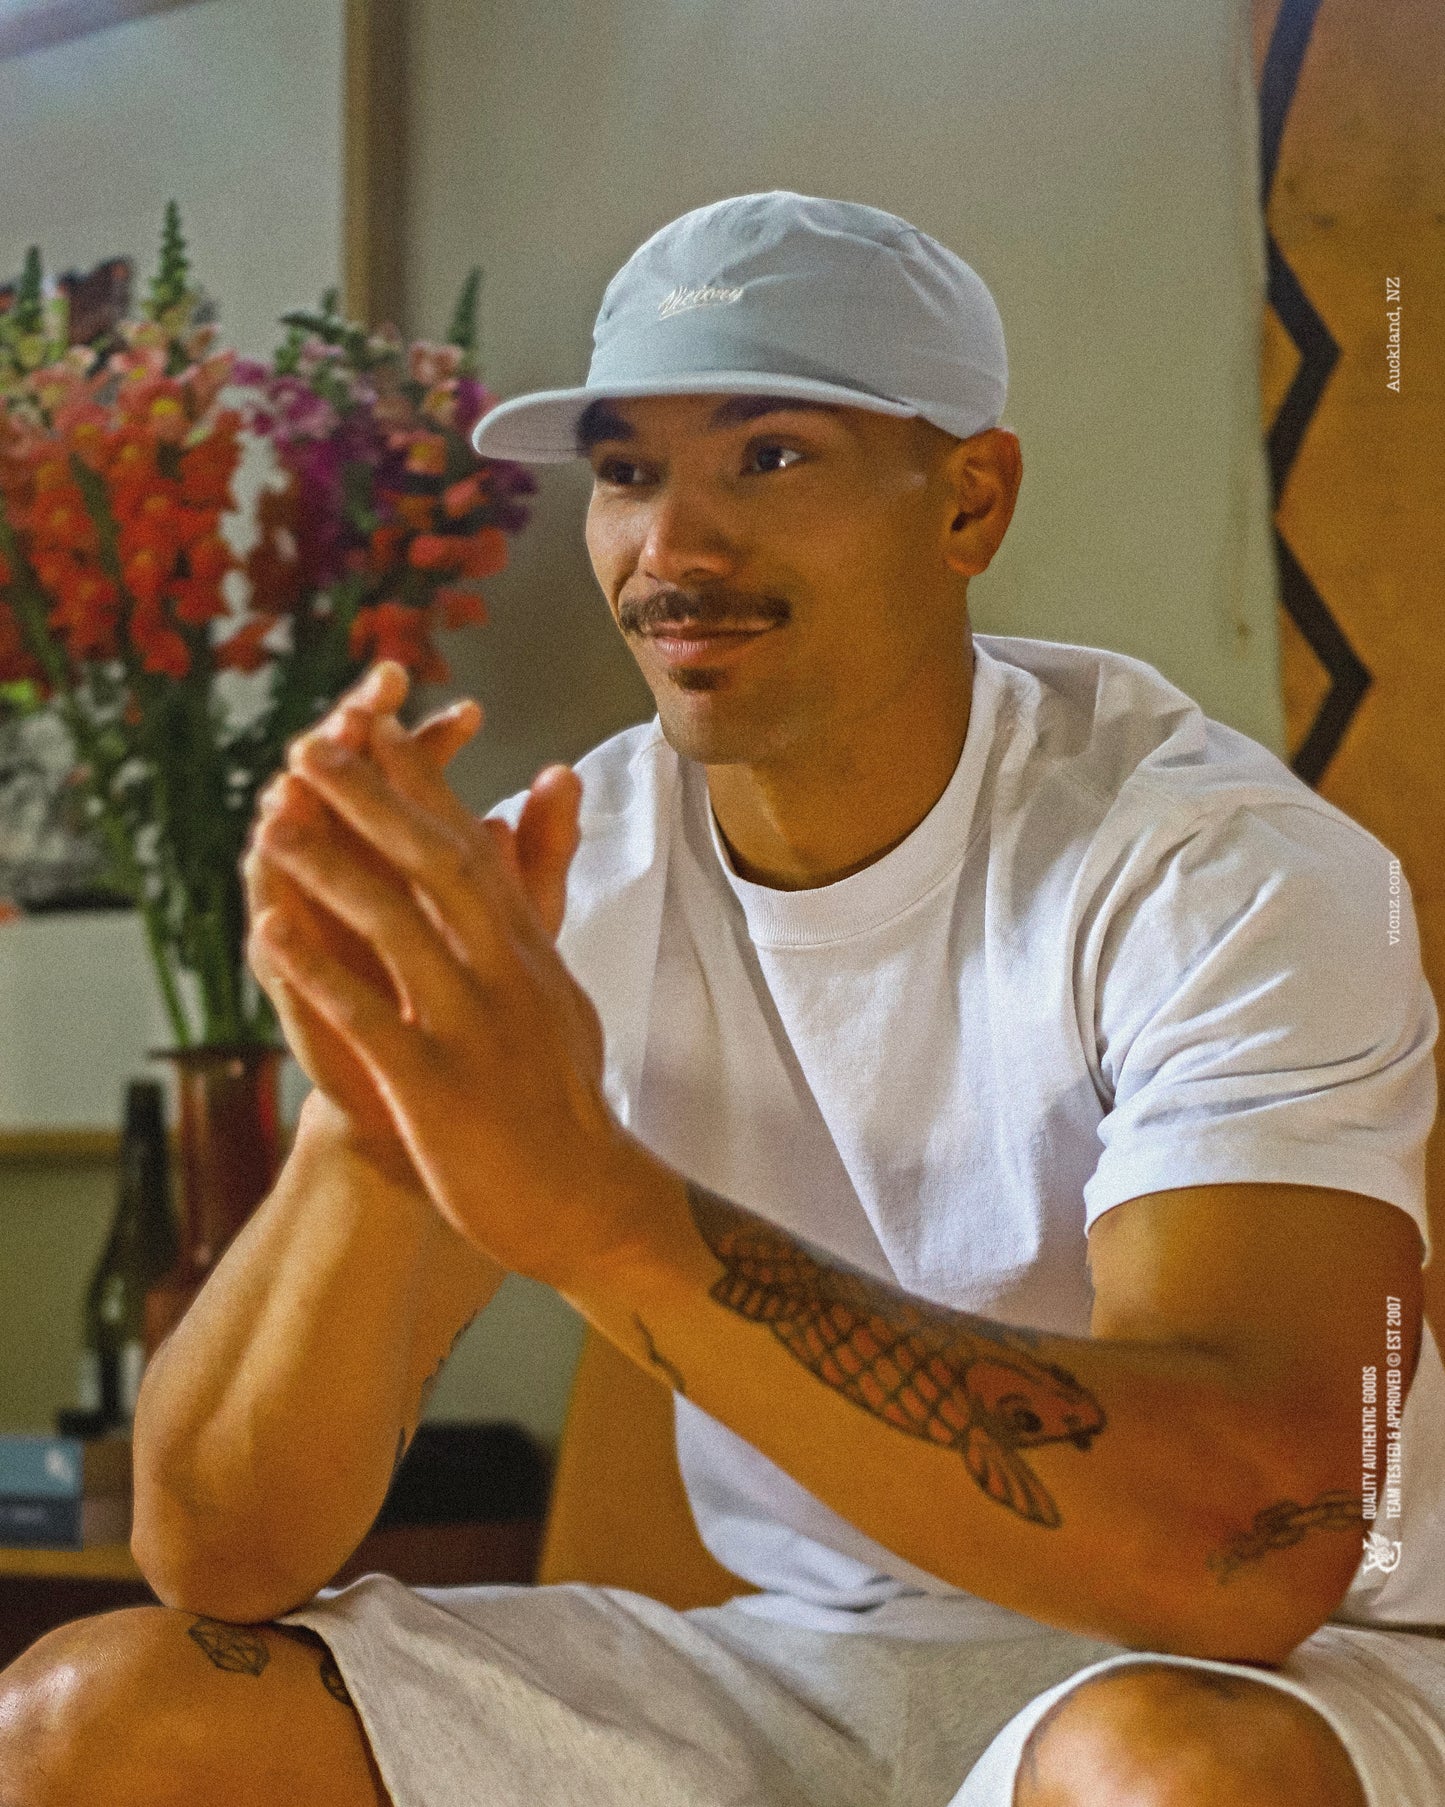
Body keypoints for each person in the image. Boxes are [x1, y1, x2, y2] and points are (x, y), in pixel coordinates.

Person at [1, 190, 1441, 1806]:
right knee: (87, 1723)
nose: (671, 552)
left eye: (768, 456)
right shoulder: (565, 876)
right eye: (626, 474)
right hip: (804, 1669)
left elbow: (1251, 1555)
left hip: (1265, 1675)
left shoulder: (1215, 870)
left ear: (968, 500)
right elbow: (215, 1552)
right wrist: (373, 1119)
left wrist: (598, 1215)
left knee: (1156, 1777)